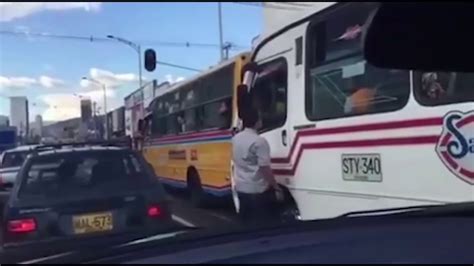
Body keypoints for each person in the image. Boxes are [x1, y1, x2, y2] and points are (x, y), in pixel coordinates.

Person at [231, 109, 284, 225]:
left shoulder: (235, 139)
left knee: (245, 224)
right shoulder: (259, 142)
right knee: (262, 225)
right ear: (257, 122)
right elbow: (264, 168)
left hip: (241, 188)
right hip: (258, 191)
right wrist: (276, 187)